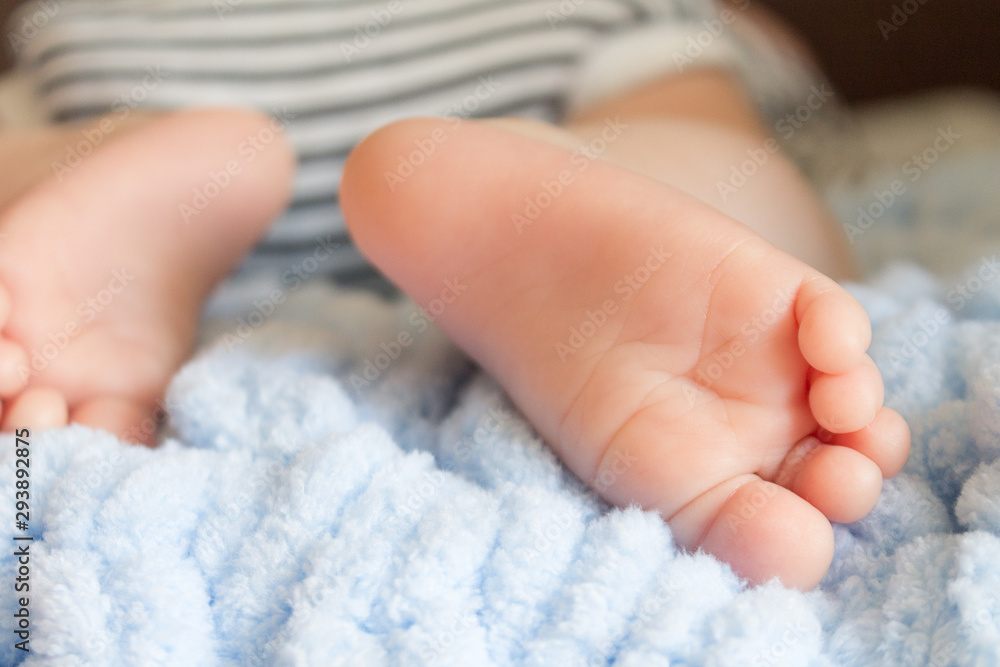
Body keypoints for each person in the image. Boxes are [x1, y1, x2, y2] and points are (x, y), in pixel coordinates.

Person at [0, 0, 909, 588]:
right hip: (534, 29)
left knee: (29, 140)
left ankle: (111, 160)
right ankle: (578, 173)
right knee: (700, 145)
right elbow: (809, 119)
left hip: (141, 40)